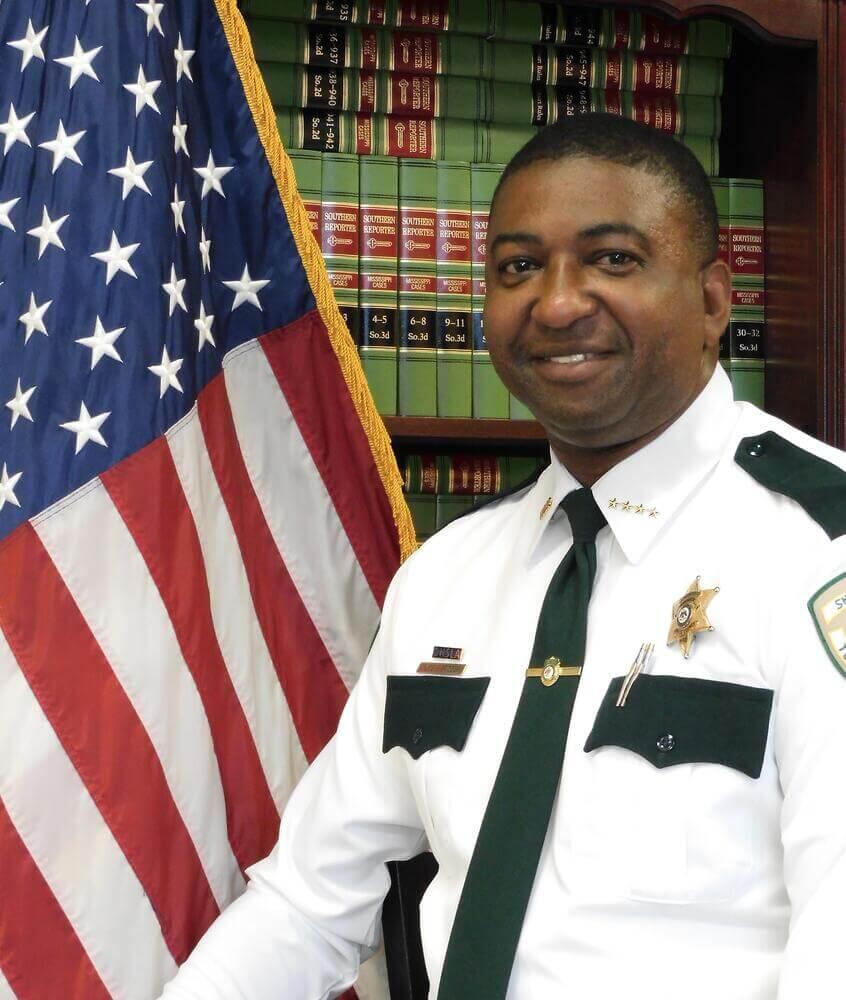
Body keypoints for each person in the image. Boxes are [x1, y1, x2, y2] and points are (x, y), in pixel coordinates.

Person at [161, 114, 846, 999]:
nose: (557, 302)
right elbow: (307, 904)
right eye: (519, 267)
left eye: (613, 259)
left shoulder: (816, 546)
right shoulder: (446, 577)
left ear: (715, 301)